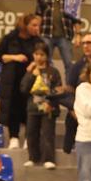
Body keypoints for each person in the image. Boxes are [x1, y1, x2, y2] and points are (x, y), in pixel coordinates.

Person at [0, 13, 42, 150]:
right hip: (12, 80)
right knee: (13, 109)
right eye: (34, 25)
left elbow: (44, 58)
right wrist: (15, 57)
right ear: (25, 25)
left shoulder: (38, 41)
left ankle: (29, 138)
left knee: (29, 109)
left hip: (30, 81)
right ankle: (13, 138)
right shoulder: (10, 38)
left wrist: (34, 65)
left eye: (38, 25)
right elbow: (0, 56)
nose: (37, 28)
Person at [21, 41, 63, 169]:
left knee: (47, 133)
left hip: (48, 107)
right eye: (36, 54)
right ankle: (33, 157)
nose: (39, 57)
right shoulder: (30, 71)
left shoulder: (53, 71)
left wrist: (51, 99)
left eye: (42, 54)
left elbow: (58, 89)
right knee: (31, 133)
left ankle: (49, 158)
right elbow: (23, 89)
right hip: (33, 107)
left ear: (47, 56)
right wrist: (31, 76)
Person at [35, 0, 82, 71]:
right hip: (46, 34)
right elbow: (38, 14)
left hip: (65, 36)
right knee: (44, 62)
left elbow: (76, 19)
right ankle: (43, 85)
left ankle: (69, 86)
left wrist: (78, 35)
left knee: (69, 64)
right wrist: (36, 29)